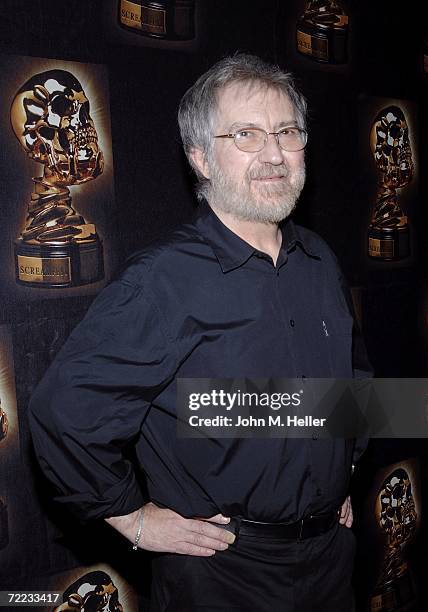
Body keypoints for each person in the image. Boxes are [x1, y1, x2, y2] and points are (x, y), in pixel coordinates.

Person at [29, 54, 371, 611]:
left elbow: (352, 377)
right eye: (246, 135)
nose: (274, 154)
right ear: (199, 156)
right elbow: (63, 412)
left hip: (333, 559)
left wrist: (344, 468)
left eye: (287, 132)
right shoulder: (161, 281)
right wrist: (133, 519)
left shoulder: (320, 261)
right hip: (225, 575)